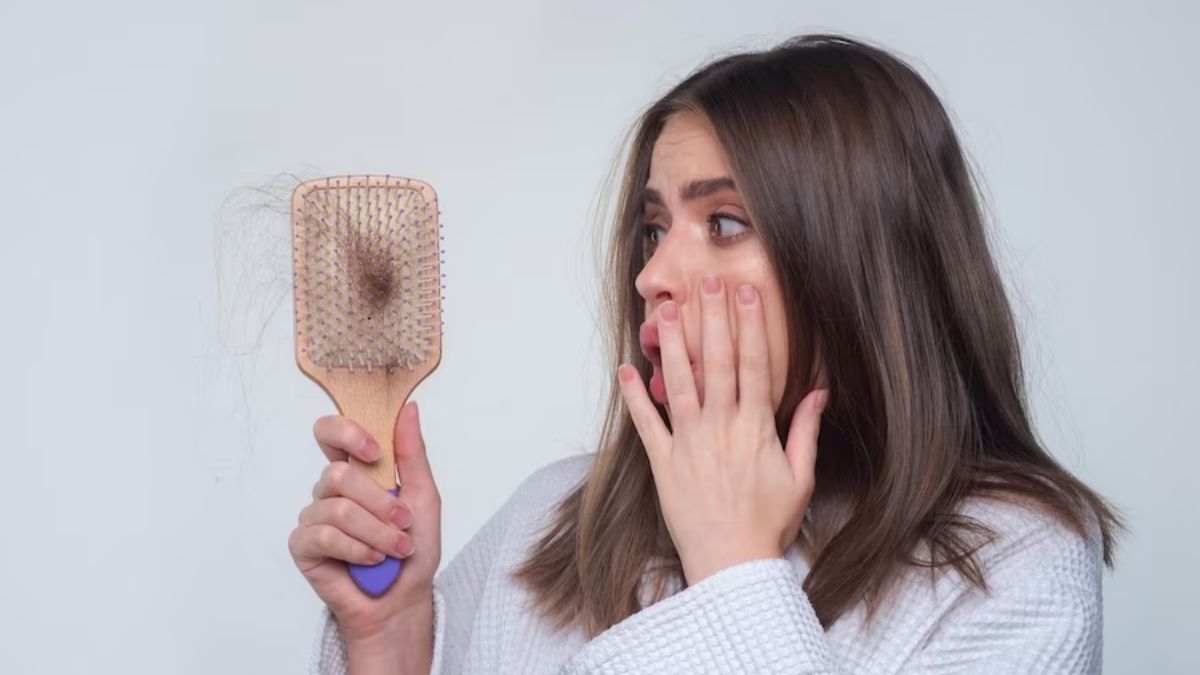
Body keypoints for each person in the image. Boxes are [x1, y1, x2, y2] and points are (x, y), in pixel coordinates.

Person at [289, 33, 1122, 674]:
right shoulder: (553, 512)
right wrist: (392, 638)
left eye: (723, 223)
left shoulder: (1018, 566)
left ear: (863, 266)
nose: (652, 275)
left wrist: (733, 569)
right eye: (654, 228)